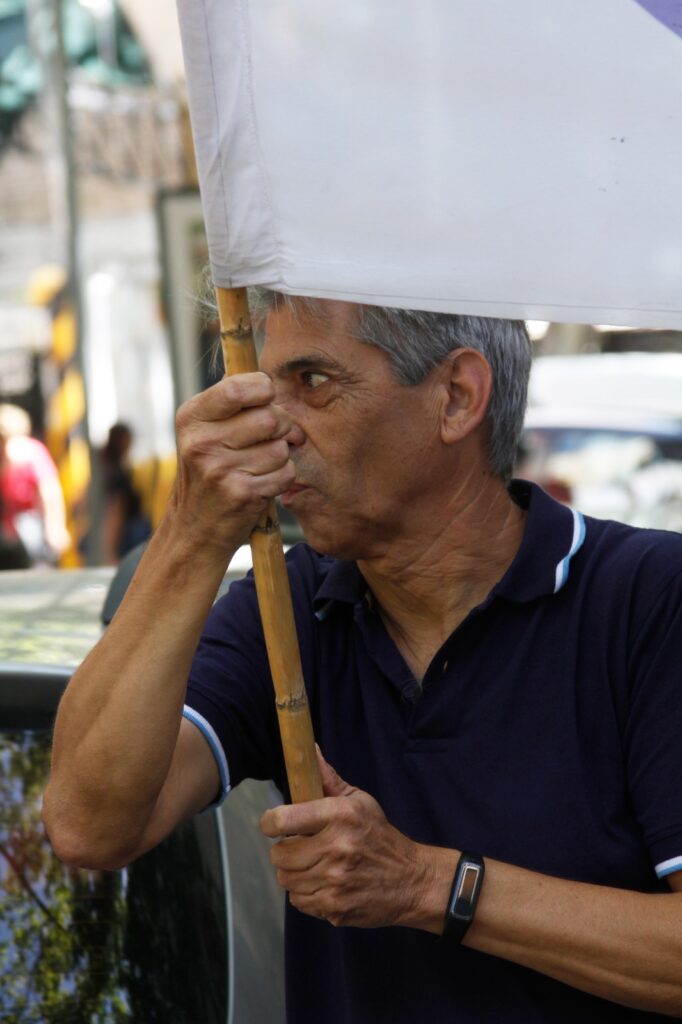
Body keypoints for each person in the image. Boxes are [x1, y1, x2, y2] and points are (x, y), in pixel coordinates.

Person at [43, 295, 682, 1023]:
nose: (275, 429)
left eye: (312, 382)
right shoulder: (290, 607)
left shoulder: (648, 599)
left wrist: (427, 885)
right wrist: (191, 530)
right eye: (264, 389)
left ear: (457, 397)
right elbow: (87, 825)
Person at [100, 422, 151, 564]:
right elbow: (116, 512)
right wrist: (110, 551)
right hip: (127, 538)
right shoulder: (117, 474)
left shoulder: (108, 468)